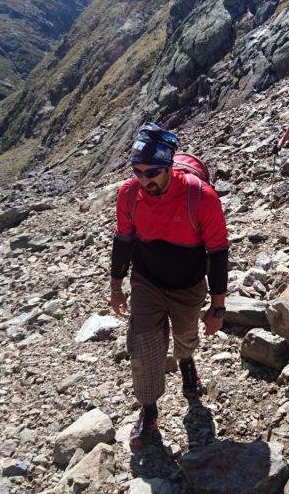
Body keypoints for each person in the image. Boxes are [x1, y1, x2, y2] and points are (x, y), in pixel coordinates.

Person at [108, 123, 230, 449]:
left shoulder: (200, 197)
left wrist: (217, 307)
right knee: (143, 348)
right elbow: (123, 239)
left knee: (185, 336)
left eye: (152, 171)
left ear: (169, 166)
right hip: (147, 280)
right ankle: (149, 413)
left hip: (188, 285)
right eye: (137, 170)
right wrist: (116, 286)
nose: (144, 178)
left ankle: (187, 363)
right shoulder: (129, 194)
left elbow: (218, 253)